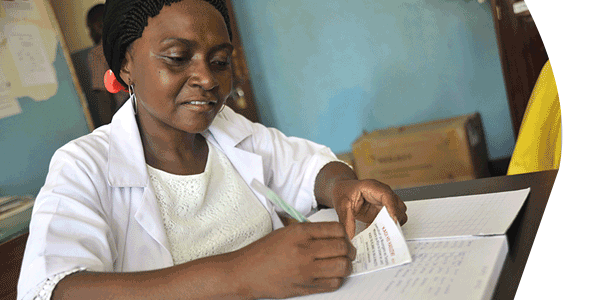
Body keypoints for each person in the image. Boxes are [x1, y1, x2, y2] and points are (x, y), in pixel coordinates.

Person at [17, 1, 408, 299]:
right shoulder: (84, 166)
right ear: (125, 66)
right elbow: (53, 288)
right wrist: (241, 275)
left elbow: (307, 167)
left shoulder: (227, 132)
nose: (206, 77)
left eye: (220, 61)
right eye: (177, 57)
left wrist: (341, 187)